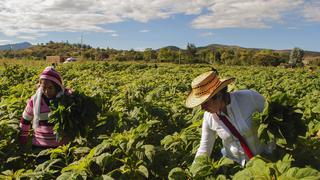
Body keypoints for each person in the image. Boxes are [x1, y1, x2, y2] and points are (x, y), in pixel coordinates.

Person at [185, 70, 274, 166]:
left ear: (219, 96)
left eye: (205, 102)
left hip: (263, 160)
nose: (202, 108)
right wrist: (195, 170)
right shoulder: (208, 117)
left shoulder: (250, 98)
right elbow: (205, 147)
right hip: (233, 165)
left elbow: (273, 121)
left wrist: (271, 153)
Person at [19, 66, 71, 149]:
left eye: (50, 88)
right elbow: (25, 119)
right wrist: (23, 136)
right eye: (44, 88)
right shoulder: (35, 100)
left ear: (57, 86)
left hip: (62, 147)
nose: (47, 91)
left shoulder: (65, 99)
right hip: (40, 146)